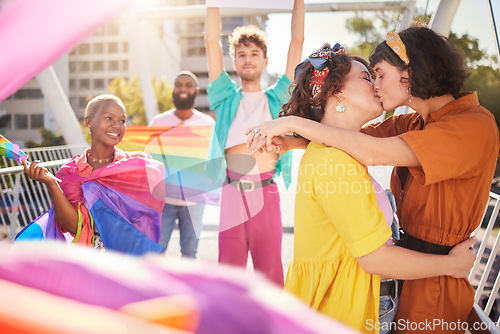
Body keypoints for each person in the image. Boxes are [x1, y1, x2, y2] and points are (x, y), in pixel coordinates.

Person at [247, 27, 499, 333]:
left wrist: (292, 124)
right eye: (370, 77)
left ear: (413, 70)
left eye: (378, 74)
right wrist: (293, 141)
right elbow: (353, 140)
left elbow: (369, 149)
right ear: (337, 92)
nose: (377, 86)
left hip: (431, 281)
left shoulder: (469, 126)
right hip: (399, 278)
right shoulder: (412, 124)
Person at [204, 0, 304, 285]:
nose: (248, 58)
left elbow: (297, 42)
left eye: (255, 53)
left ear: (265, 61)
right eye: (242, 54)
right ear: (234, 62)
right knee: (229, 275)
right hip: (232, 193)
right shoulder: (225, 97)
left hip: (265, 193)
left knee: (270, 273)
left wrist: (298, 2)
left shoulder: (277, 98)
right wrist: (212, 4)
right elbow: (212, 42)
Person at [19, 94, 165, 256]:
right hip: (92, 260)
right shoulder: (69, 173)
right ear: (89, 122)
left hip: (131, 259)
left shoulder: (138, 165)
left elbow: (149, 216)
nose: (117, 125)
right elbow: (74, 226)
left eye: (122, 120)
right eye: (108, 118)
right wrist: (51, 184)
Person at [149, 71, 215, 258]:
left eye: (187, 85)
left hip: (194, 200)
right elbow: (149, 160)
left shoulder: (207, 124)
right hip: (163, 200)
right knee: (156, 251)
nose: (183, 88)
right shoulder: (159, 122)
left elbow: (214, 161)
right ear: (173, 90)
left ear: (195, 90)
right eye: (179, 84)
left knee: (189, 253)